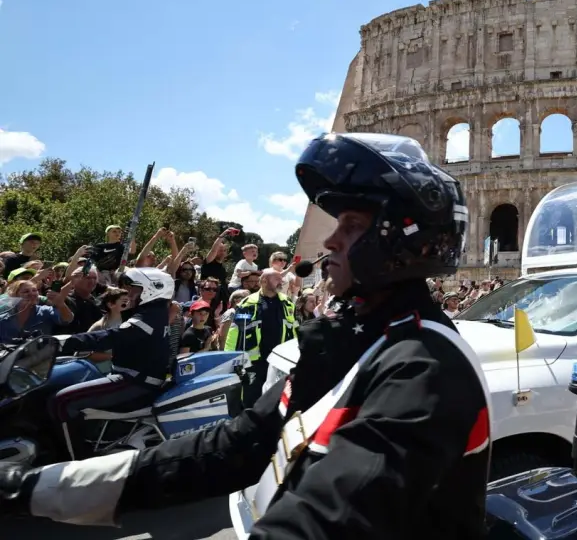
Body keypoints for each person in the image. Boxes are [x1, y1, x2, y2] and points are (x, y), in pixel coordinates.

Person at [0, 132, 492, 539]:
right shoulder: (355, 340)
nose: (330, 241)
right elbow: (235, 446)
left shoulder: (425, 367)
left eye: (353, 225)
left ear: (401, 238)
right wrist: (32, 488)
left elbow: (328, 518)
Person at [47, 267, 176, 460]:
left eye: (134, 289)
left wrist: (63, 342)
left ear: (152, 289)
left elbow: (110, 337)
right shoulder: (152, 313)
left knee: (61, 402)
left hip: (134, 381)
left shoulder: (148, 317)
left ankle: (74, 460)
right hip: (134, 377)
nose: (128, 293)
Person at [224, 268, 297, 407]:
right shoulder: (247, 304)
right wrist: (230, 358)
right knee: (251, 401)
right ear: (264, 281)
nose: (281, 281)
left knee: (276, 402)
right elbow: (234, 332)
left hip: (279, 362)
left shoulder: (287, 303)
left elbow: (294, 330)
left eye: (281, 279)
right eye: (276, 279)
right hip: (254, 363)